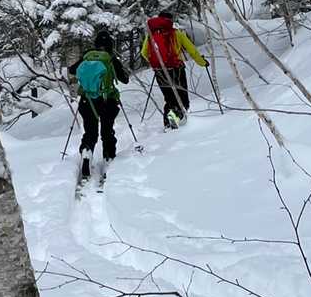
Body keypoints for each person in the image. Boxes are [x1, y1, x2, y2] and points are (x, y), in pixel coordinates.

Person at [68, 29, 129, 176]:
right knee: (107, 132)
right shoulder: (110, 58)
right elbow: (125, 79)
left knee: (90, 131)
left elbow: (72, 70)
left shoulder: (87, 56)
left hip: (87, 100)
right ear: (110, 45)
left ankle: (87, 151)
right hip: (107, 100)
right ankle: (108, 158)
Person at [141, 11, 208, 128]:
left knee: (169, 98)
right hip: (177, 69)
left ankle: (168, 123)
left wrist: (157, 63)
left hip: (160, 71)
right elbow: (192, 50)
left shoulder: (151, 36)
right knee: (182, 97)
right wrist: (202, 62)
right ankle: (178, 120)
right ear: (170, 21)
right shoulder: (177, 33)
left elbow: (144, 53)